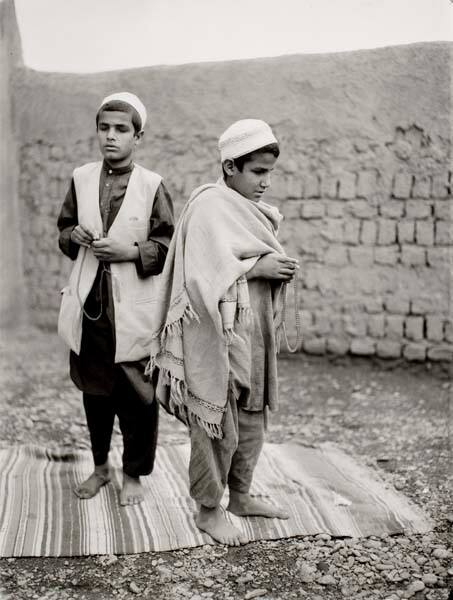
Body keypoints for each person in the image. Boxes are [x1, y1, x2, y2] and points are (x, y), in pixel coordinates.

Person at [148, 119, 298, 544]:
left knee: (252, 418)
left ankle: (242, 495)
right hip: (216, 336)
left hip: (253, 332)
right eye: (258, 172)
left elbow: (240, 258)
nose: (266, 182)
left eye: (269, 172)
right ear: (230, 166)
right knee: (217, 420)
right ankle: (208, 510)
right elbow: (197, 279)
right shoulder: (209, 206)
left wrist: (273, 271)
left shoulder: (249, 210)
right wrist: (257, 267)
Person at [57, 92, 174, 506]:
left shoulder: (152, 185)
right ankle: (102, 466)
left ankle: (134, 473)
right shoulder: (81, 178)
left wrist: (129, 252)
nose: (111, 136)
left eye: (121, 129)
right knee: (96, 390)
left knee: (138, 397)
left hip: (134, 308)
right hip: (91, 307)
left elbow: (166, 245)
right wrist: (75, 237)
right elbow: (65, 229)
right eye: (104, 128)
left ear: (137, 136)